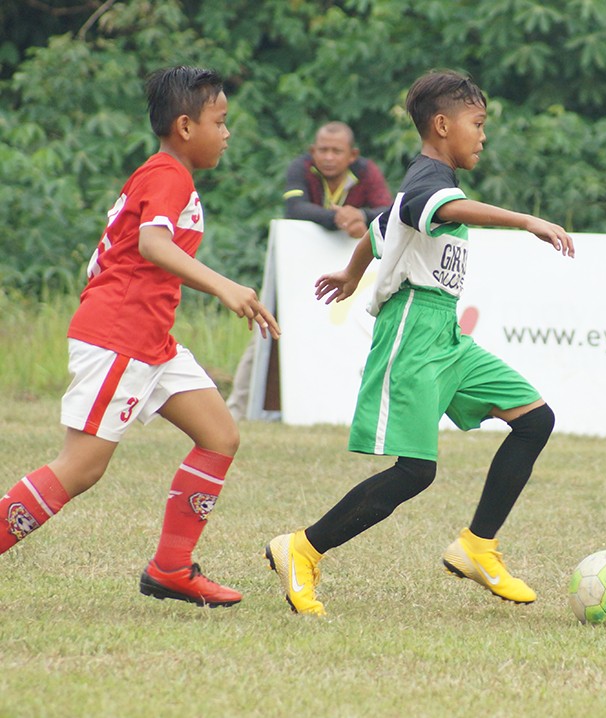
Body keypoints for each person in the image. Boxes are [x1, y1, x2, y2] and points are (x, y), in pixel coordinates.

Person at [264, 70, 575, 616]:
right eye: (476, 124)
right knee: (416, 471)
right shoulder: (429, 182)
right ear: (441, 125)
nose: (482, 136)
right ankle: (303, 548)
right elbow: (435, 210)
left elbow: (383, 225)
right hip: (411, 330)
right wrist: (526, 220)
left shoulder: (423, 186)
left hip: (447, 332)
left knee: (535, 420)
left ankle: (477, 546)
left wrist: (350, 273)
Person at [0, 66, 280, 608]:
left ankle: (171, 568)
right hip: (120, 336)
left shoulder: (166, 174)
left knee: (220, 434)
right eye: (220, 122)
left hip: (151, 340)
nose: (227, 133)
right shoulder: (168, 174)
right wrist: (225, 287)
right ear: (184, 126)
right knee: (81, 467)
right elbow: (152, 245)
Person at [225, 122, 392, 421]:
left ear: (352, 155)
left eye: (336, 151)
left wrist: (362, 216)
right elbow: (294, 209)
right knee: (266, 332)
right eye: (323, 150)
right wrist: (340, 218)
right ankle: (236, 408)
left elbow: (388, 211)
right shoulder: (300, 167)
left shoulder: (368, 172)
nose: (328, 157)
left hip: (348, 277)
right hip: (297, 272)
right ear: (312, 151)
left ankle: (331, 407)